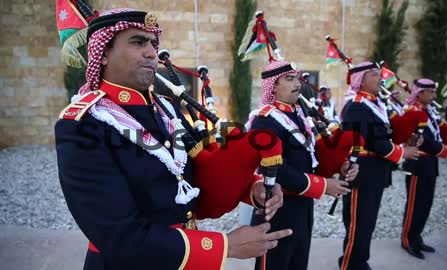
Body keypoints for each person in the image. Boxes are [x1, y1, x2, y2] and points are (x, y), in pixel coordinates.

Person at [55, 8, 291, 270]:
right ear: (104, 54)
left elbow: (199, 165)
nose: (151, 52)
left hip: (186, 258)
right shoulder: (84, 124)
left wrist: (252, 188)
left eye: (153, 43)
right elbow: (119, 235)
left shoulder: (165, 108)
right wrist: (225, 246)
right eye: (137, 42)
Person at [245, 60, 359, 270]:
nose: (298, 83)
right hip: (278, 207)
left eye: (297, 78)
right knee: (275, 263)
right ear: (273, 86)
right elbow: (277, 169)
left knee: (298, 261)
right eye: (289, 79)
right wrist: (323, 186)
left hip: (304, 205)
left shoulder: (299, 114)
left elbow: (312, 154)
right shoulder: (264, 121)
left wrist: (340, 165)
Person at [339, 61, 420, 270]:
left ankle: (361, 261)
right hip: (361, 174)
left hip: (375, 172)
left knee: (367, 224)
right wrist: (403, 152)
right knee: (358, 224)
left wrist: (407, 138)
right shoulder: (356, 106)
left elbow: (387, 133)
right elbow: (376, 142)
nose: (380, 78)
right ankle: (350, 264)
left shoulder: (376, 104)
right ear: (361, 80)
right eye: (374, 75)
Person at [400, 79, 447, 259]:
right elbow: (423, 142)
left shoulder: (429, 112)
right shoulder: (411, 112)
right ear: (420, 93)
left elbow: (440, 135)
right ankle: (408, 240)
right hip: (417, 163)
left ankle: (417, 237)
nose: (434, 95)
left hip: (430, 163)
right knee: (415, 205)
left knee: (426, 203)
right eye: (430, 92)